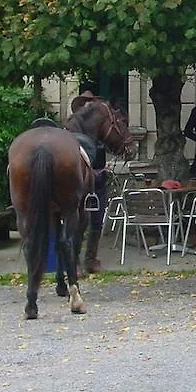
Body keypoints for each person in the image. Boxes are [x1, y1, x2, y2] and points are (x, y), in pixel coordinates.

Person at [71, 90, 108, 275]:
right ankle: (75, 260)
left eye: (91, 103)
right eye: (86, 103)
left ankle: (91, 259)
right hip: (81, 181)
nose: (89, 106)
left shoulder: (100, 131)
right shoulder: (72, 129)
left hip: (100, 178)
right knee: (78, 221)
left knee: (97, 221)